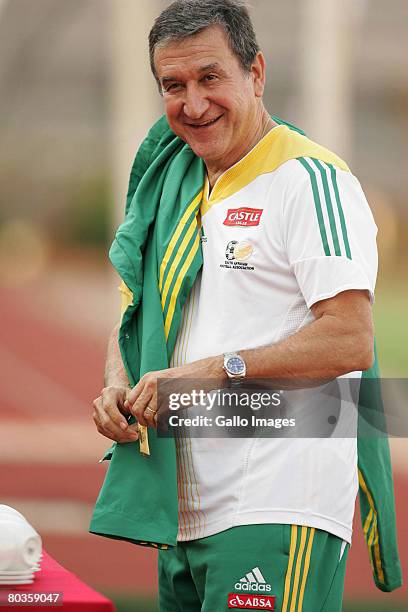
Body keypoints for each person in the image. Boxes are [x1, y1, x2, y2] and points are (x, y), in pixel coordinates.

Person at [91, 2, 401, 610]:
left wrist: (214, 370)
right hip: (181, 510)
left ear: (255, 73)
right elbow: (144, 315)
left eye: (211, 78)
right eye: (173, 86)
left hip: (278, 503)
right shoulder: (180, 182)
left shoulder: (309, 180)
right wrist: (116, 382)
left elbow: (349, 338)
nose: (193, 103)